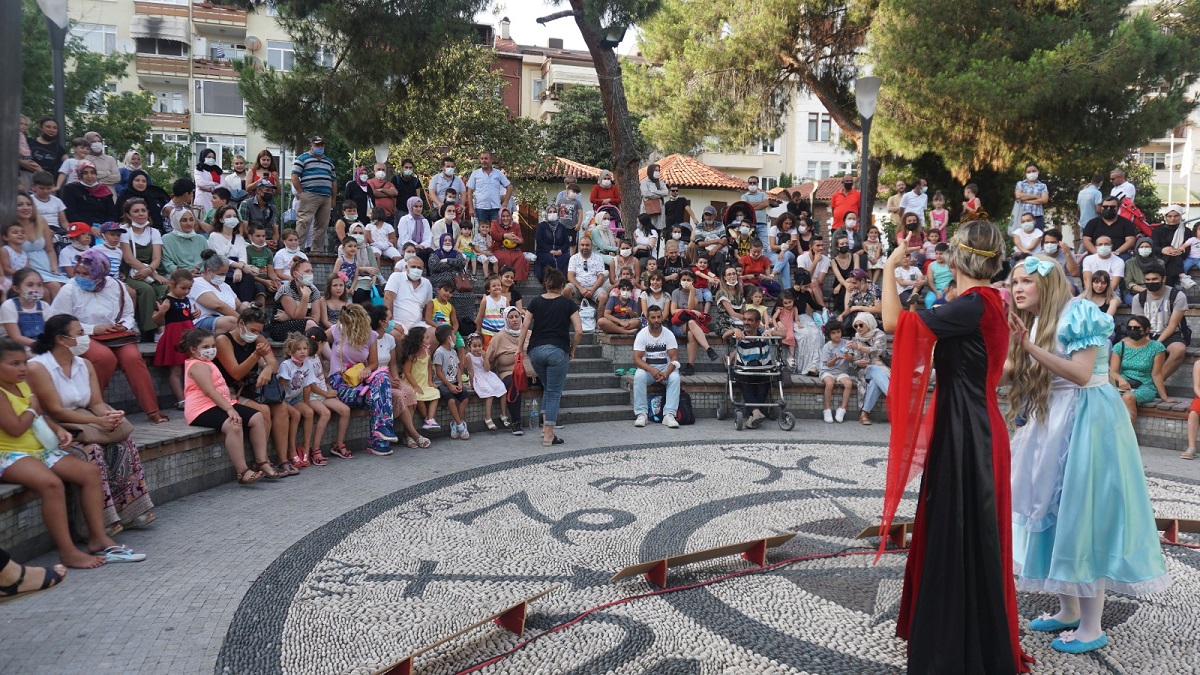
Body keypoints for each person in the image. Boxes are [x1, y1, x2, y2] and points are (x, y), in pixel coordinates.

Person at [879, 222, 1027, 673]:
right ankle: (961, 632)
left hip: (968, 433)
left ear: (958, 259)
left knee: (960, 532)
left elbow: (892, 323)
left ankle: (956, 646)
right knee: (964, 532)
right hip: (972, 425)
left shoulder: (973, 304)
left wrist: (889, 267)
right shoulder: (989, 302)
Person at [1008, 256, 1169, 656]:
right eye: (1014, 282)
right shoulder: (1040, 319)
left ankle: (1091, 626)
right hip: (1053, 420)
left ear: (1047, 284)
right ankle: (1067, 610)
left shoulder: (1081, 313)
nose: (1018, 288)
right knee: (1054, 511)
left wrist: (1027, 345)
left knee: (1084, 515)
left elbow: (1080, 374)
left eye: (1026, 280)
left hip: (1087, 419)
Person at [0, 336, 145, 568]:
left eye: (23, 363)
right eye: (13, 364)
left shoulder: (22, 385)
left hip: (38, 451)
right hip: (9, 454)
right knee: (51, 484)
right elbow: (16, 429)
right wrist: (31, 407)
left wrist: (58, 430)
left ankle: (98, 538)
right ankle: (67, 552)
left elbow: (40, 417)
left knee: (89, 472)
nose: (21, 368)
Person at [29, 315, 155, 533]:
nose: (85, 338)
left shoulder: (84, 364)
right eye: (79, 334)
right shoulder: (38, 367)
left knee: (124, 445)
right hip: (56, 427)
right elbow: (55, 410)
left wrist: (110, 417)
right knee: (92, 451)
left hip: (86, 422)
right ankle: (99, 522)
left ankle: (132, 512)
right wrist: (98, 421)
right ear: (61, 339)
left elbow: (96, 402)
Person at [50, 250, 167, 423]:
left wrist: (123, 326)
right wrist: (93, 329)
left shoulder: (115, 285)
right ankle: (94, 406)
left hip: (115, 334)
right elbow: (58, 321)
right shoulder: (69, 289)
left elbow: (128, 313)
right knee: (104, 358)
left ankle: (152, 410)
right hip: (82, 335)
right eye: (78, 273)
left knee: (133, 358)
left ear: (100, 273)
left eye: (86, 274)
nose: (80, 277)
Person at [181, 328, 276, 484]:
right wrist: (230, 409)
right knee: (234, 425)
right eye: (205, 347)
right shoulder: (197, 366)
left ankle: (261, 461)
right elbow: (209, 391)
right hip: (201, 409)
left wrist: (229, 406)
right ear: (193, 349)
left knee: (257, 416)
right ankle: (242, 471)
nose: (211, 350)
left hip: (218, 404)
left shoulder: (207, 362)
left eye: (212, 345)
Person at [213, 306, 299, 473]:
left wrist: (267, 369)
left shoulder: (257, 339)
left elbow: (273, 363)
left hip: (251, 387)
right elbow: (235, 373)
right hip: (229, 390)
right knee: (263, 410)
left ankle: (282, 459)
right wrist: (256, 357)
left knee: (281, 408)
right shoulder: (223, 340)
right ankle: (262, 460)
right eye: (252, 330)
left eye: (259, 331)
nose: (255, 334)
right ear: (240, 324)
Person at [517, 269, 581, 446]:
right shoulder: (569, 304)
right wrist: (572, 349)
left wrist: (519, 348)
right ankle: (549, 436)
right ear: (562, 286)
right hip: (557, 351)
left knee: (548, 387)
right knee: (554, 392)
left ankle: (545, 428)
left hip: (535, 351)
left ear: (546, 284)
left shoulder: (535, 302)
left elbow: (524, 327)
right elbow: (579, 331)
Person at [328, 303, 398, 453]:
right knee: (377, 396)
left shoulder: (370, 335)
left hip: (360, 382)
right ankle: (378, 439)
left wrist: (367, 369)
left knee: (381, 377)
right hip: (341, 383)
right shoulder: (337, 330)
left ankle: (381, 433)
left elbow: (374, 363)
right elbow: (315, 339)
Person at [118, 199, 168, 339]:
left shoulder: (154, 232)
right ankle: (149, 329)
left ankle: (164, 329)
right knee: (146, 290)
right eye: (136, 211)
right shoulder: (124, 231)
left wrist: (151, 271)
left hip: (151, 271)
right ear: (128, 215)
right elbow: (128, 259)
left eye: (143, 210)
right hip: (132, 272)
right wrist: (150, 272)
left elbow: (157, 258)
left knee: (164, 289)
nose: (141, 214)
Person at [1130, 264, 1189, 379]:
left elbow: (1172, 326)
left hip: (1169, 334)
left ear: (1164, 279)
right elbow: (1141, 323)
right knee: (1121, 345)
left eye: (1154, 279)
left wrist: (1154, 345)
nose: (1151, 282)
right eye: (1147, 280)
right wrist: (1146, 340)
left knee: (1179, 350)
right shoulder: (1138, 298)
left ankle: (1156, 382)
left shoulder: (1177, 295)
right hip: (1146, 333)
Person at [1110, 314, 1171, 420]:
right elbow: (1113, 371)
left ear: (1147, 330)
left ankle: (1129, 435)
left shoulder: (1156, 347)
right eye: (1130, 328)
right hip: (1124, 384)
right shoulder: (1120, 346)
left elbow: (1156, 374)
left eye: (1137, 328)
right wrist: (1121, 380)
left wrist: (1164, 397)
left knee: (1128, 398)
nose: (1133, 330)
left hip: (1145, 386)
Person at [631, 305, 681, 428]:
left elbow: (674, 358)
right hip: (647, 369)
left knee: (675, 378)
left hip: (665, 368)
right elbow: (636, 359)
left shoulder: (668, 334)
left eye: (659, 317)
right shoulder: (642, 334)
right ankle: (642, 414)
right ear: (647, 319)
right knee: (639, 376)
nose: (656, 320)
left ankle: (669, 415)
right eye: (653, 317)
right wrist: (651, 369)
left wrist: (667, 373)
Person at [14, 192, 67, 296]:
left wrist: (54, 269)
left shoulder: (41, 220)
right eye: (20, 205)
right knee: (52, 287)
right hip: (27, 266)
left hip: (46, 265)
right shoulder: (10, 226)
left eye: (28, 204)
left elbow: (50, 249)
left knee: (67, 287)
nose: (26, 208)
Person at [486, 307, 528, 434]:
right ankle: (516, 422)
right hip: (509, 373)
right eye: (511, 317)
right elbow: (488, 359)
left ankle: (547, 418)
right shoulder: (499, 337)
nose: (515, 320)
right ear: (505, 319)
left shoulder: (529, 333)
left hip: (530, 373)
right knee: (512, 384)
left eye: (517, 316)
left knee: (550, 380)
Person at [291, 136, 337, 253]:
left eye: (322, 145)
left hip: (326, 196)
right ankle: (297, 249)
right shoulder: (303, 158)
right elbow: (294, 176)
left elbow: (333, 181)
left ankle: (317, 251)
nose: (320, 147)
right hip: (309, 194)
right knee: (304, 222)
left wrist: (333, 198)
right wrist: (301, 193)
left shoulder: (329, 161)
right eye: (317, 145)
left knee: (322, 225)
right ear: (311, 145)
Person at [847, 312, 889, 425]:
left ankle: (864, 414)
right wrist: (859, 363)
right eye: (856, 326)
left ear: (869, 323)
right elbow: (855, 361)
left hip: (882, 367)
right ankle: (894, 397)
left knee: (875, 382)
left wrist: (860, 347)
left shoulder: (879, 334)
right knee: (875, 370)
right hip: (865, 370)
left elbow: (878, 350)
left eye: (861, 325)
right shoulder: (856, 339)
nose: (858, 328)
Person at [190, 251, 243, 335]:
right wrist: (243, 321)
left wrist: (250, 313)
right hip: (202, 321)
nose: (223, 277)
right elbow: (218, 306)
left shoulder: (225, 286)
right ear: (208, 271)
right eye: (220, 274)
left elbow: (239, 305)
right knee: (232, 322)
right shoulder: (197, 283)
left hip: (225, 319)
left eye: (225, 274)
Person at [1, 270, 60, 345]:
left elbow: (51, 331)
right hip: (18, 347)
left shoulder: (44, 306)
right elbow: (15, 337)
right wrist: (40, 345)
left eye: (39, 285)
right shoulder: (9, 306)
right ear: (16, 289)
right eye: (30, 285)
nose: (35, 289)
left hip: (41, 345)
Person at [432, 324, 470, 439]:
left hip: (454, 381)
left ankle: (455, 422)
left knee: (465, 397)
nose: (455, 337)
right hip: (443, 383)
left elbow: (458, 368)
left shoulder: (453, 352)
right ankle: (460, 425)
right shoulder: (439, 352)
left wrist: (459, 383)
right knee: (451, 400)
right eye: (453, 335)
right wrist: (449, 386)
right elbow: (438, 372)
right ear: (448, 338)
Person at [270, 258, 320, 341]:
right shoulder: (286, 289)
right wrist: (305, 297)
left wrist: (289, 317)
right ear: (295, 274)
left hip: (305, 327)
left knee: (314, 329)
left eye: (311, 271)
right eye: (307, 271)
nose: (310, 274)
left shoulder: (314, 291)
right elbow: (297, 317)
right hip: (280, 328)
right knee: (312, 327)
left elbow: (316, 319)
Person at [400, 325, 440, 431]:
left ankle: (430, 419)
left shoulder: (428, 352)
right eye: (426, 337)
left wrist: (430, 381)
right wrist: (415, 385)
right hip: (412, 383)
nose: (429, 339)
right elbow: (407, 372)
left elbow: (429, 366)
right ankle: (426, 418)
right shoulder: (411, 355)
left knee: (436, 393)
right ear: (418, 341)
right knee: (419, 397)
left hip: (424, 382)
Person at [384, 255, 433, 337]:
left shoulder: (427, 283)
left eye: (419, 268)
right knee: (395, 335)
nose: (416, 270)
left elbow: (427, 306)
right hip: (397, 321)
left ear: (423, 270)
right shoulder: (396, 277)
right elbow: (388, 298)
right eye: (413, 267)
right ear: (406, 267)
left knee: (433, 333)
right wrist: (391, 322)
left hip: (418, 324)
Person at [818, 322, 856, 423]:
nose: (836, 335)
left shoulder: (846, 343)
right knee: (830, 383)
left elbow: (851, 359)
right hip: (827, 370)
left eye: (838, 332)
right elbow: (828, 364)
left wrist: (847, 355)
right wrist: (836, 358)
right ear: (829, 335)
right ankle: (827, 409)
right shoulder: (827, 346)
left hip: (842, 371)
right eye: (833, 333)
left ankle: (842, 409)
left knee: (848, 384)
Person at [60, 162, 117, 227]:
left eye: (92, 173)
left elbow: (112, 214)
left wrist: (106, 226)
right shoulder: (71, 189)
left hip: (104, 227)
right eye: (85, 173)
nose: (89, 176)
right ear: (80, 174)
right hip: (81, 226)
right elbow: (71, 213)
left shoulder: (103, 189)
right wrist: (89, 226)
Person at [465, 150, 512, 227]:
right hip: (481, 209)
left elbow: (509, 187)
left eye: (486, 158)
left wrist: (505, 202)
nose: (483, 161)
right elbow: (469, 191)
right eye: (482, 158)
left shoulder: (498, 173)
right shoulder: (475, 174)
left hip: (495, 209)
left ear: (491, 160)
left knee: (495, 231)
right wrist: (471, 208)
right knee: (482, 232)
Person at [1151, 204, 1193, 288]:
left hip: (1179, 256)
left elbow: (1188, 247)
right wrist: (1163, 250)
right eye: (1169, 216)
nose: (1172, 219)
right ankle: (1181, 278)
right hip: (1161, 256)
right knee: (1169, 257)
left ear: (1180, 216)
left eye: (1176, 216)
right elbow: (1153, 246)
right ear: (1165, 217)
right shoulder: (1158, 230)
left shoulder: (1186, 231)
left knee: (1172, 258)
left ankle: (1168, 287)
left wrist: (1178, 251)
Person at [565, 236, 609, 311]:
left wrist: (592, 290)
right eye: (582, 245)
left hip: (594, 288)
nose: (584, 247)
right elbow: (570, 276)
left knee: (604, 297)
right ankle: (573, 314)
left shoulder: (598, 258)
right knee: (566, 289)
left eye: (587, 245)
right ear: (579, 246)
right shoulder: (574, 258)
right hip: (578, 287)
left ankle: (599, 321)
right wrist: (581, 288)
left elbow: (601, 277)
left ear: (592, 246)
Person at [160, 209, 209, 276]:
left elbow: (208, 260)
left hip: (202, 276)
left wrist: (202, 272)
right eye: (184, 220)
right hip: (178, 276)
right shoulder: (167, 239)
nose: (189, 223)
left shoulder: (201, 239)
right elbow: (166, 263)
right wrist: (186, 274)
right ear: (176, 221)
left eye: (191, 220)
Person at [535, 204, 573, 281]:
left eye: (554, 212)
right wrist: (550, 250)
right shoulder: (542, 226)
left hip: (560, 252)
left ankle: (562, 281)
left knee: (566, 258)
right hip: (545, 252)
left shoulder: (562, 227)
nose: (552, 213)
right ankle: (548, 282)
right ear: (546, 213)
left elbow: (566, 243)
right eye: (550, 212)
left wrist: (561, 250)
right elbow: (539, 241)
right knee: (548, 259)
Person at [489, 208, 529, 281]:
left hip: (514, 249)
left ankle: (514, 280)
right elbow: (493, 234)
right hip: (499, 248)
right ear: (500, 217)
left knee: (521, 258)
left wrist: (518, 240)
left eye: (507, 216)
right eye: (503, 216)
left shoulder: (515, 225)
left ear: (511, 216)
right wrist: (505, 235)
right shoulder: (495, 223)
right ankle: (503, 279)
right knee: (504, 258)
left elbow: (521, 239)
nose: (505, 218)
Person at [239, 176, 279, 245]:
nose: (270, 193)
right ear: (258, 191)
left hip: (269, 239)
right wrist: (263, 242)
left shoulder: (272, 208)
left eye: (271, 191)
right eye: (267, 190)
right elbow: (245, 230)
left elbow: (275, 230)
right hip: (251, 242)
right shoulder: (246, 204)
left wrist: (274, 242)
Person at [1013, 162, 1049, 230]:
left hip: (1037, 217)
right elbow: (1018, 195)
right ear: (1025, 173)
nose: (1031, 173)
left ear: (1038, 171)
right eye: (1029, 172)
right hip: (1023, 216)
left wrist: (1027, 201)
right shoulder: (1021, 184)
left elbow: (1044, 200)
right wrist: (1035, 196)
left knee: (1037, 238)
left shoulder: (1042, 185)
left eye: (1033, 171)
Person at [192, 148, 223, 215]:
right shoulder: (199, 169)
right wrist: (215, 184)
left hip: (215, 198)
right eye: (209, 157)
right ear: (203, 157)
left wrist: (212, 188)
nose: (211, 159)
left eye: (213, 157)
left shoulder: (217, 170)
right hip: (202, 198)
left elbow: (224, 185)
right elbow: (201, 183)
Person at [1077, 174, 1104, 243]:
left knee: (1084, 242)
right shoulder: (1097, 193)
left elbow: (1079, 208)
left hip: (1082, 222)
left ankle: (1080, 254)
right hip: (1093, 222)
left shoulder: (1081, 192)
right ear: (1101, 182)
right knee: (1093, 242)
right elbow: (1098, 210)